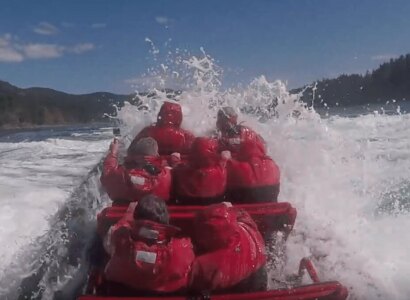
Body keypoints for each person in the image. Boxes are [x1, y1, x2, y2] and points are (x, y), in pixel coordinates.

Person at [104, 195, 195, 294]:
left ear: (135, 218)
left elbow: (109, 240)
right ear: (166, 219)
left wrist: (128, 214)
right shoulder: (182, 249)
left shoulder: (118, 238)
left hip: (123, 291)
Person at [189, 202, 267, 292]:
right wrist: (226, 208)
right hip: (259, 282)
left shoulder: (205, 266)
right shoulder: (247, 226)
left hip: (236, 287)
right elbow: (241, 213)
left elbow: (183, 276)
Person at [100, 137, 172, 204]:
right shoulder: (167, 175)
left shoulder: (122, 176)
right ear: (156, 155)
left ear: (135, 155)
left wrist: (113, 153)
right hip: (156, 214)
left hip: (124, 212)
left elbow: (107, 174)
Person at [172, 137, 227, 205]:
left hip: (185, 210)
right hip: (212, 212)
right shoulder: (222, 171)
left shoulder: (179, 171)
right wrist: (225, 159)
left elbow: (176, 168)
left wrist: (175, 161)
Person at [130, 101, 195, 156]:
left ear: (160, 114)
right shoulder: (186, 136)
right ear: (179, 117)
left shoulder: (148, 132)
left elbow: (131, 151)